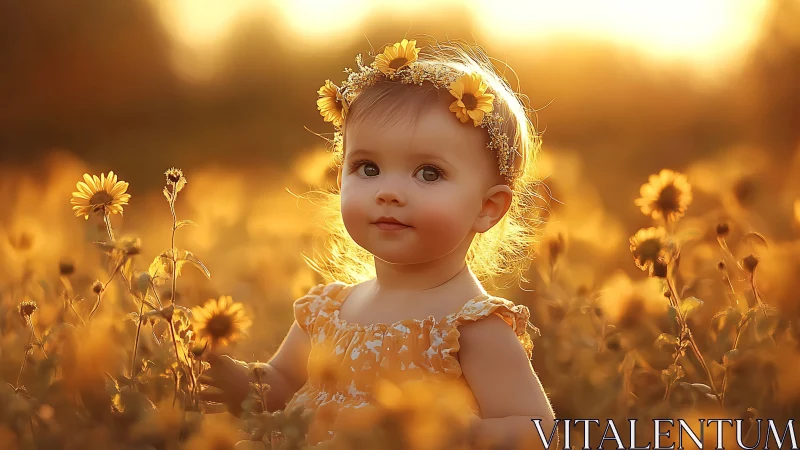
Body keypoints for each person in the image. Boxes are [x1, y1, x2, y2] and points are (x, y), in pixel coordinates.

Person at [199, 37, 557, 449]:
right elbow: (279, 383)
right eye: (367, 168)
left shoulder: (469, 327)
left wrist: (459, 434)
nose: (388, 192)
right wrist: (242, 381)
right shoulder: (328, 311)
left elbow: (538, 430)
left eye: (428, 173)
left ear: (488, 207)